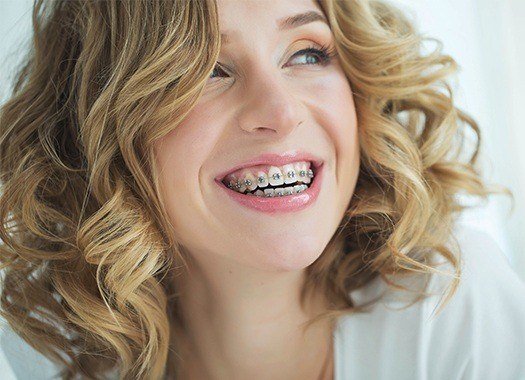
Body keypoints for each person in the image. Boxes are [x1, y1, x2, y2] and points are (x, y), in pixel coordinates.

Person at [0, 0, 524, 379]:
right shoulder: (45, 358)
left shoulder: (450, 304)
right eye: (207, 69)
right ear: (102, 128)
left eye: (307, 54)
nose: (280, 112)